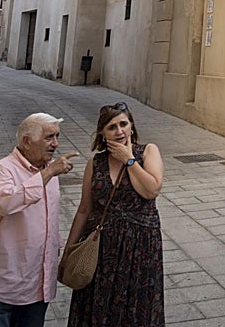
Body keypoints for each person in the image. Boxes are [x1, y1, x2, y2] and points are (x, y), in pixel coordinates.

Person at [0, 112, 78, 327]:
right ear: (27, 142)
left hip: (37, 282)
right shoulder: (3, 169)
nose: (55, 144)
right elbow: (6, 203)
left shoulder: (46, 170)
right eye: (49, 137)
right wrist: (48, 174)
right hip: (3, 280)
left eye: (57, 136)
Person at [65, 101, 164, 327]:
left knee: (135, 307)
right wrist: (69, 251)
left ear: (131, 127)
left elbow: (151, 190)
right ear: (102, 132)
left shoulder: (147, 152)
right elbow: (84, 209)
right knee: (100, 305)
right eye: (112, 127)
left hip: (139, 248)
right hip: (102, 248)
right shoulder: (96, 163)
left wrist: (128, 160)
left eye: (123, 124)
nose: (119, 131)